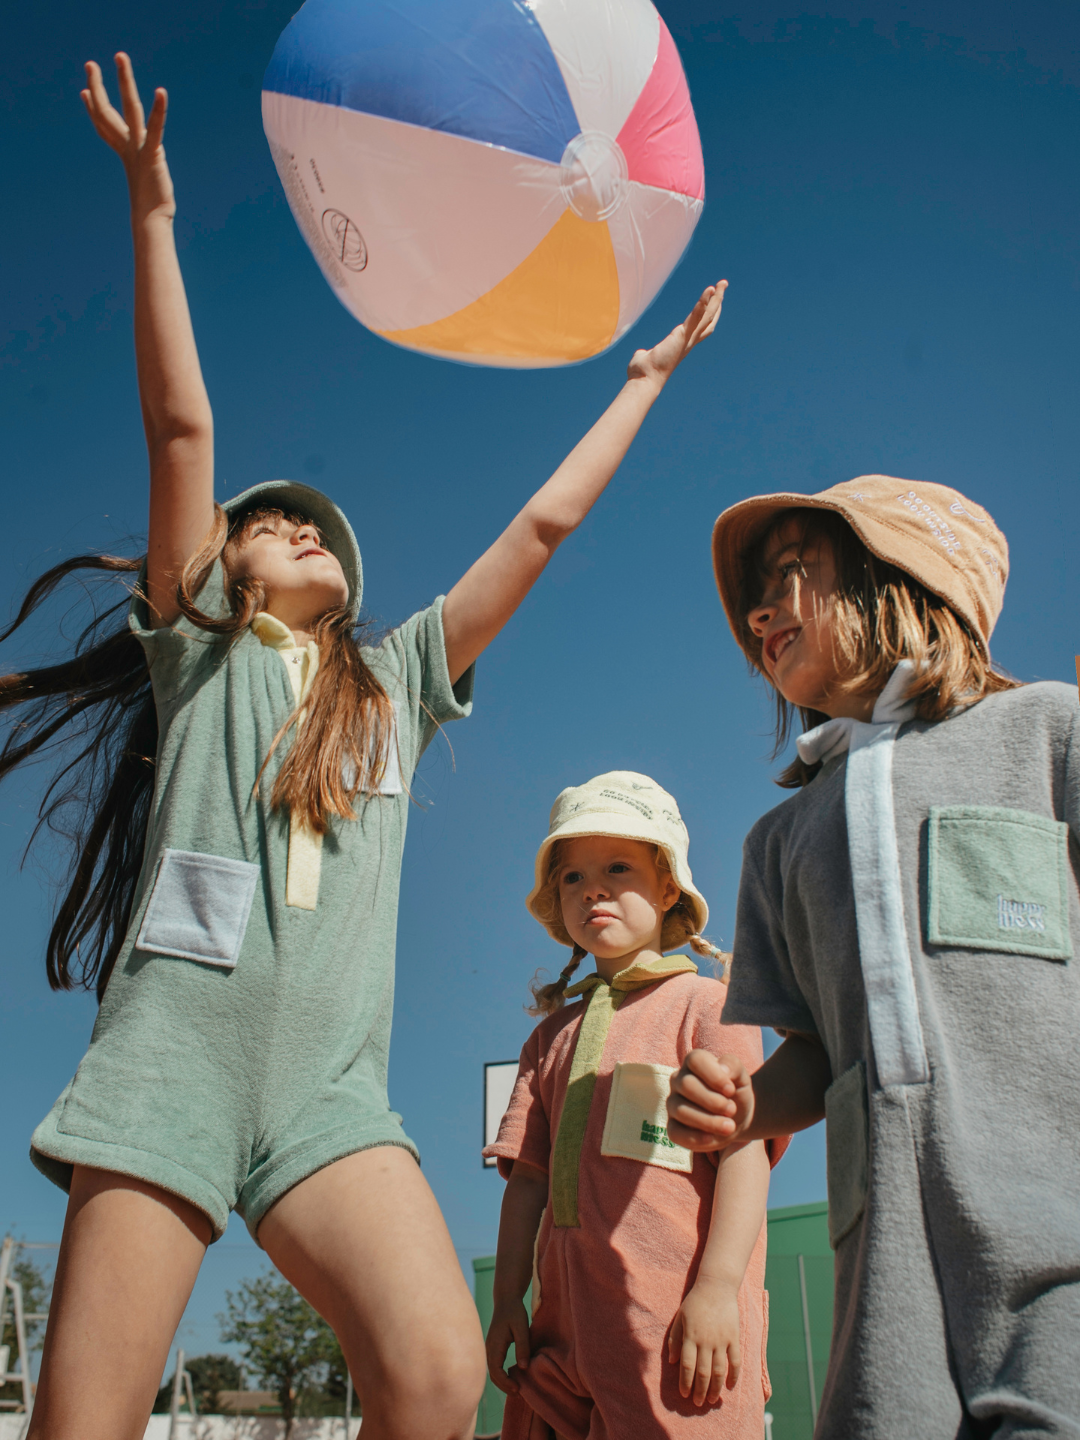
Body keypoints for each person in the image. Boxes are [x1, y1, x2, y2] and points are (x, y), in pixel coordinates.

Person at [3, 55, 726, 1440]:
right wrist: (154, 208)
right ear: (222, 570)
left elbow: (538, 534)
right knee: (80, 1424)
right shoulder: (196, 655)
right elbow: (181, 426)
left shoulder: (393, 685)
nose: (305, 532)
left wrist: (640, 382)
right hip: (173, 1067)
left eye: (321, 526)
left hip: (331, 1093)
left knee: (438, 1374)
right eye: (272, 525)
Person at [666, 478, 1080, 1438]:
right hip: (881, 1250)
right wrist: (749, 1107)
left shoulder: (1046, 730)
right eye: (754, 596)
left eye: (792, 574)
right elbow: (813, 1050)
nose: (762, 610)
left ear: (905, 580)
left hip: (1060, 1217)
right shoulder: (779, 838)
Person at [484, 773, 787, 1440]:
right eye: (571, 877)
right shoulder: (547, 1039)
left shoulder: (711, 1007)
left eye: (617, 868)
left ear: (668, 888)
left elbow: (743, 1155)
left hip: (675, 1329)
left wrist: (715, 1289)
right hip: (557, 1345)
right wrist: (508, 1297)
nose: (592, 888)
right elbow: (526, 1180)